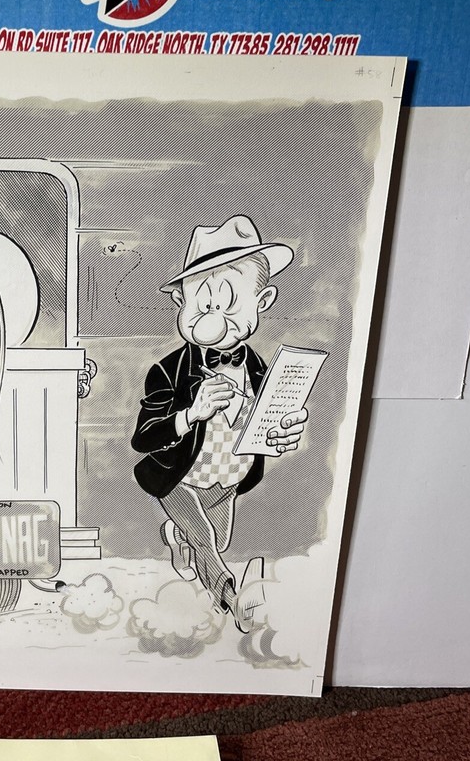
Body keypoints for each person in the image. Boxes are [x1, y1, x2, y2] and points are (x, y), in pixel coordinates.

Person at [130, 215, 307, 632]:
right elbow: (143, 438)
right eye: (203, 304)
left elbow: (265, 427)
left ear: (262, 301)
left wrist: (283, 434)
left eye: (229, 304)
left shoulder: (263, 370)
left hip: (229, 478)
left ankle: (177, 538)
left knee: (216, 537)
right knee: (207, 542)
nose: (215, 316)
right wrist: (191, 414)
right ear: (181, 302)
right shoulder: (168, 370)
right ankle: (232, 597)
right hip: (178, 477)